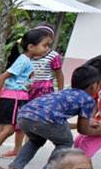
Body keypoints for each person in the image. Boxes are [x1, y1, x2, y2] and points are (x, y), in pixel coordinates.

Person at [0, 65, 101, 169]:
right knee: (65, 142)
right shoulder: (88, 99)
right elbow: (83, 130)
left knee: (35, 140)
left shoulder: (65, 92)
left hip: (24, 116)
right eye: (100, 85)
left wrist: (89, 122)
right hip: (46, 120)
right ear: (94, 86)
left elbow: (57, 121)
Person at [0, 29, 53, 169]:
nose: (47, 49)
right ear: (31, 46)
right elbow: (3, 77)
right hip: (14, 97)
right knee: (8, 129)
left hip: (13, 97)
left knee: (1, 130)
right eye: (44, 45)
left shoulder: (26, 60)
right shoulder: (24, 60)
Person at [5, 23, 65, 158]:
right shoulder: (28, 55)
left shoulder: (53, 56)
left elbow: (59, 74)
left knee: (34, 120)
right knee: (21, 118)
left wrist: (60, 92)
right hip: (26, 89)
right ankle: (17, 148)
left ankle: (26, 149)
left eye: (47, 39)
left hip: (44, 91)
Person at [74, 54, 101, 159]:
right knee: (78, 142)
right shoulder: (99, 84)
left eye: (98, 76)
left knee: (85, 147)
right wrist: (91, 118)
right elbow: (95, 103)